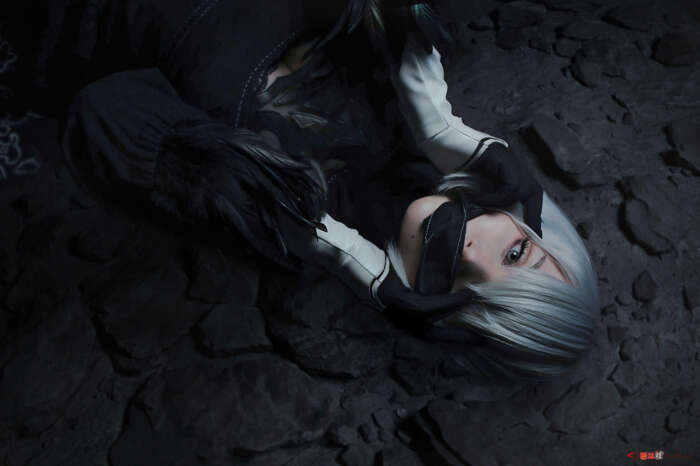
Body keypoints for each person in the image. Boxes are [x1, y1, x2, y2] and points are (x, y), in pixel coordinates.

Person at [8, 0, 599, 381]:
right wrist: (436, 118)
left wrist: (323, 238)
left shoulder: (276, 227)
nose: (470, 255)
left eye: (466, 296)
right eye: (514, 253)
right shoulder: (417, 79)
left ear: (422, 314)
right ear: (524, 216)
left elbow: (101, 112)